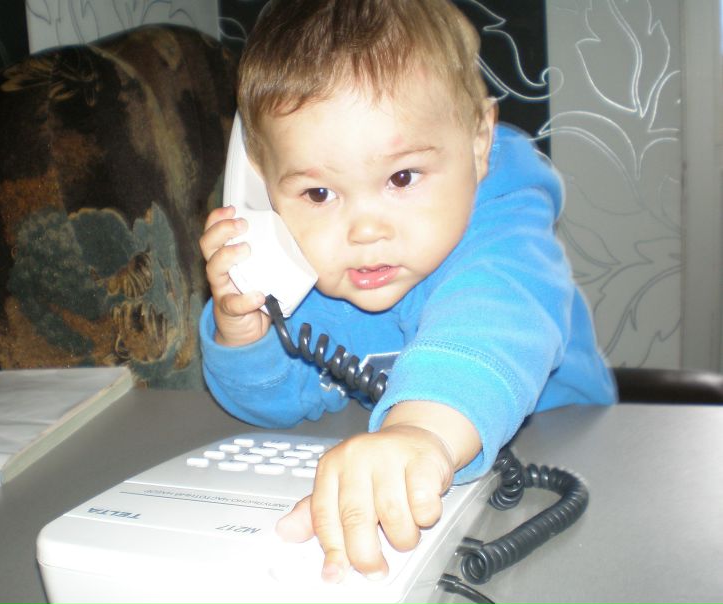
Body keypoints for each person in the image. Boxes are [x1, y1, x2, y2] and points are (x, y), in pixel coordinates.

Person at [199, 0, 616, 584]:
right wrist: (246, 336)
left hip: (566, 466)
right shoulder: (309, 259)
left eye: (401, 178)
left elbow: (494, 315)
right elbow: (277, 409)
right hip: (419, 482)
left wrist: (420, 431)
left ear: (478, 144)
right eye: (318, 193)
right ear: (261, 182)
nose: (365, 231)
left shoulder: (502, 221)